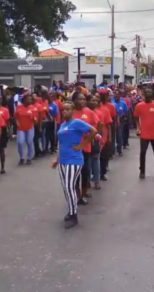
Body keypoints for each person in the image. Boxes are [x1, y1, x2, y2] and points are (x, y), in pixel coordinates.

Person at [52, 101, 98, 229]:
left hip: (74, 160)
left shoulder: (77, 123)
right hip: (63, 160)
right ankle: (71, 210)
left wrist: (82, 145)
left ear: (72, 111)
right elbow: (61, 143)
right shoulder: (62, 125)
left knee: (69, 186)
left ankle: (74, 215)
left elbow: (93, 131)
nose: (64, 112)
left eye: (67, 109)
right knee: (66, 188)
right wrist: (57, 159)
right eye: (63, 110)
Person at [71, 91, 99, 204]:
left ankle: (83, 193)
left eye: (83, 99)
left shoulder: (89, 112)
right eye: (79, 99)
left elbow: (96, 127)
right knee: (75, 173)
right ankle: (76, 195)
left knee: (85, 171)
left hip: (85, 147)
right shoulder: (70, 112)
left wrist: (89, 138)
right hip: (72, 148)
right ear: (74, 101)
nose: (82, 101)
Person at [133, 88, 154, 179]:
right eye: (146, 92)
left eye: (149, 92)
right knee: (142, 152)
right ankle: (142, 171)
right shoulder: (139, 105)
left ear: (152, 94)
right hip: (144, 133)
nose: (148, 93)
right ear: (143, 94)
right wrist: (138, 128)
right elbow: (136, 117)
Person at [14, 93, 37, 165]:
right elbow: (15, 117)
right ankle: (21, 158)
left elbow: (35, 120)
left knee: (29, 142)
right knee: (20, 142)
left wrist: (34, 119)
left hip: (30, 128)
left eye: (31, 99)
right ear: (24, 100)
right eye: (29, 99)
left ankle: (29, 158)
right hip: (21, 128)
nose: (30, 100)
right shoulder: (19, 107)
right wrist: (17, 122)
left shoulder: (32, 108)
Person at [0, 95, 11, 173]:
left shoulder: (4, 110)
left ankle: (2, 167)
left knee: (1, 150)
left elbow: (7, 121)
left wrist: (9, 130)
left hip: (2, 130)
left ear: (1, 100)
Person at [112, 92, 129, 156]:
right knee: (113, 137)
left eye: (118, 94)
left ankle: (119, 150)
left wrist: (122, 117)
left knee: (119, 136)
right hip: (113, 121)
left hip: (121, 122)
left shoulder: (123, 103)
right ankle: (112, 151)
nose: (116, 96)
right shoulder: (112, 103)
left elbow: (126, 112)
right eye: (115, 94)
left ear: (120, 96)